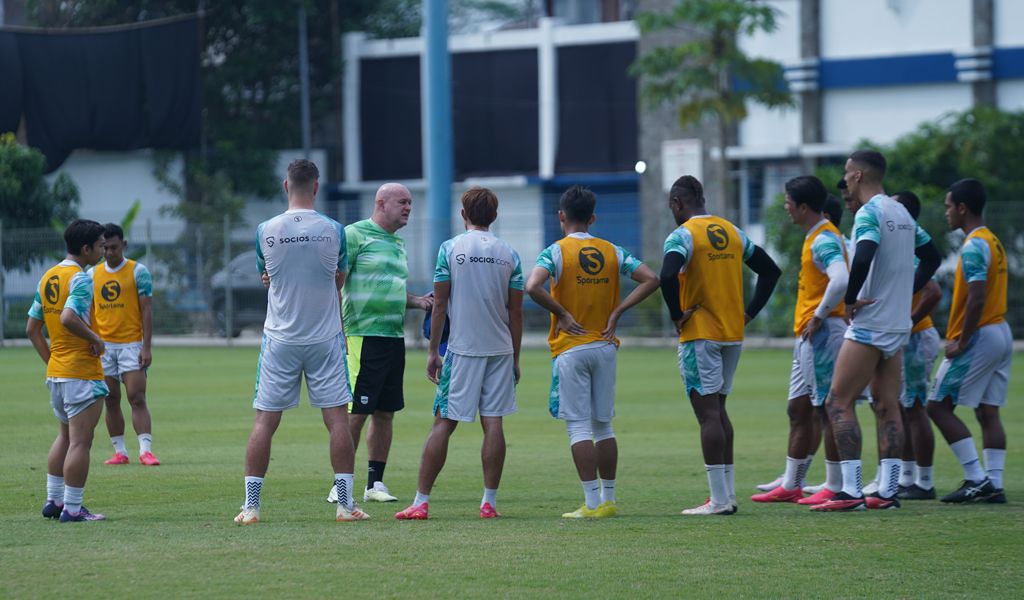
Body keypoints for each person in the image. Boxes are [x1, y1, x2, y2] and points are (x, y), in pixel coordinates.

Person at [235, 159, 368, 525]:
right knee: (338, 421)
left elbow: (268, 274)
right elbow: (338, 277)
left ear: (285, 186)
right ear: (317, 187)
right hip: (325, 337)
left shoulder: (265, 230)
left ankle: (251, 507)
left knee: (265, 421)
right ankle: (344, 505)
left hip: (280, 337)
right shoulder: (334, 230)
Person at [811, 150, 941, 512]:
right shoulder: (901, 211)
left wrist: (851, 298)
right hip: (898, 325)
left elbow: (865, 252)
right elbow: (933, 256)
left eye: (846, 173)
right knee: (887, 406)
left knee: (837, 401)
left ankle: (850, 491)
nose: (845, 179)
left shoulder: (870, 213)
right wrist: (904, 294)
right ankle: (887, 490)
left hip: (869, 324)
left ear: (856, 175)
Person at [525, 185, 659, 519]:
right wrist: (618, 311)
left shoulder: (555, 252)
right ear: (593, 218)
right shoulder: (612, 251)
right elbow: (651, 278)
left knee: (579, 429)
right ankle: (609, 499)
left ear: (561, 216)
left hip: (572, 347)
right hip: (604, 345)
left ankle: (591, 503)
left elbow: (532, 286)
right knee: (604, 427)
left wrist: (563, 313)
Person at [395, 187, 523, 520]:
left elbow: (439, 305)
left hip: (463, 349)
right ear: (494, 216)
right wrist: (516, 357)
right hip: (500, 350)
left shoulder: (451, 249)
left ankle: (421, 502)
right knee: (493, 423)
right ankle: (489, 503)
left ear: (463, 215)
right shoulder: (510, 254)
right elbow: (516, 312)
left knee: (443, 424)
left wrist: (433, 350)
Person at [660, 175, 781, 516]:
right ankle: (726, 496)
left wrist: (676, 314)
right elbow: (770, 271)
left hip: (700, 333)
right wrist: (750, 313)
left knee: (708, 415)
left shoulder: (682, 235)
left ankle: (717, 501)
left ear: (677, 204)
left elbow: (667, 275)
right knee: (720, 411)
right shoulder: (731, 231)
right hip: (732, 332)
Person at [326, 183, 433, 505]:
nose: (408, 208)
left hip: (392, 337)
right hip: (362, 336)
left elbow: (390, 291)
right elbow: (335, 284)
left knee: (385, 413)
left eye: (411, 203)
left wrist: (419, 301)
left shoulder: (397, 244)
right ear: (380, 203)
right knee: (356, 412)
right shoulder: (354, 235)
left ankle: (375, 484)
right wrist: (338, 331)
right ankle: (339, 484)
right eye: (402, 202)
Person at [752, 176, 848, 506]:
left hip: (822, 334)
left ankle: (835, 485)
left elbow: (841, 279)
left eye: (788, 202)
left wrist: (820, 315)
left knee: (826, 409)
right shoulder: (815, 236)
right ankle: (792, 482)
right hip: (806, 335)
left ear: (803, 207)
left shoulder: (824, 238)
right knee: (798, 408)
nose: (785, 208)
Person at [927, 178, 1011, 504]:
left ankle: (977, 479)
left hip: (980, 333)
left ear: (962, 208)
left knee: (937, 406)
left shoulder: (974, 245)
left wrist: (962, 340)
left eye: (949, 206)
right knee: (988, 411)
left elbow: (976, 298)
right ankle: (995, 483)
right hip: (1000, 329)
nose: (947, 212)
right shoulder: (993, 240)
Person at [26, 219, 109, 522]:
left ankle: (54, 501)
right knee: (80, 442)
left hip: (58, 373)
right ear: (86, 248)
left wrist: (52, 362)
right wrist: (96, 339)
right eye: (100, 245)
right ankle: (73, 508)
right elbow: (68, 317)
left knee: (64, 436)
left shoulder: (48, 276)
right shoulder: (82, 278)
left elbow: (32, 329)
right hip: (81, 373)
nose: (103, 251)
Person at [90, 223, 159, 466]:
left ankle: (145, 451)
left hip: (131, 343)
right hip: (104, 346)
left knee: (136, 396)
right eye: (105, 248)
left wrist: (146, 346)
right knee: (110, 398)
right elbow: (87, 312)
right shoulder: (92, 275)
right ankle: (120, 452)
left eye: (114, 247)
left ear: (124, 245)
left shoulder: (138, 272)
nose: (109, 253)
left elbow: (147, 310)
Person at [891, 191, 942, 500]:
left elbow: (933, 291)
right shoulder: (902, 248)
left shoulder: (910, 251)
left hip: (916, 337)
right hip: (907, 339)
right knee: (903, 407)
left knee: (915, 409)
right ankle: (908, 478)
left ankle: (924, 481)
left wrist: (908, 321)